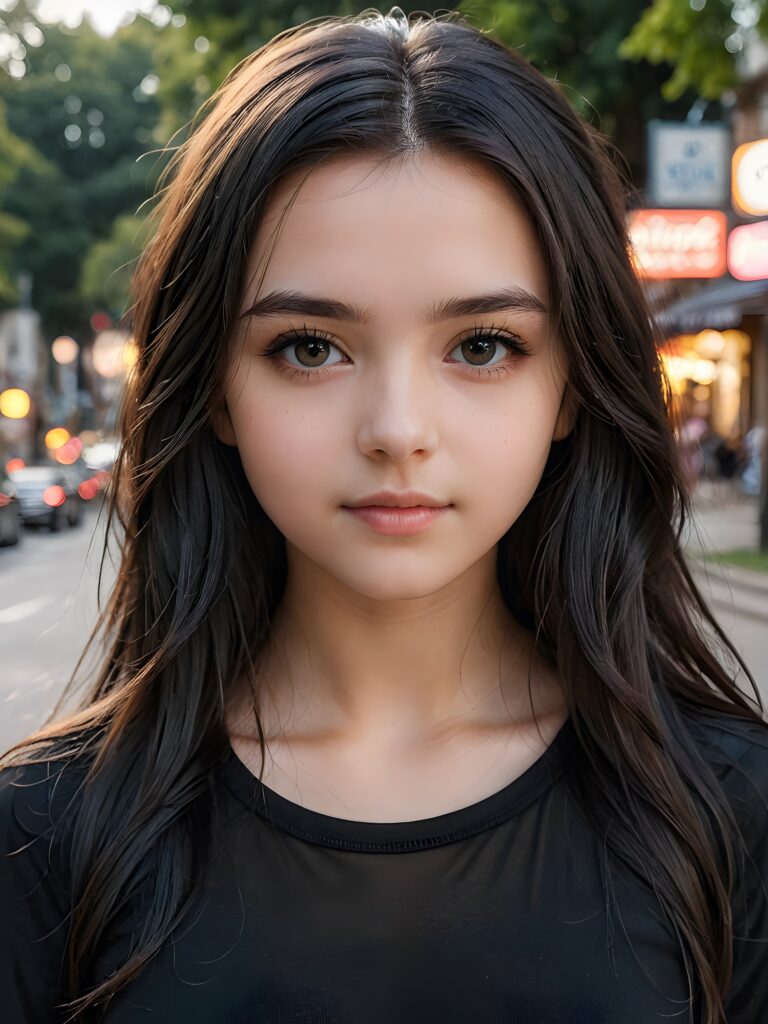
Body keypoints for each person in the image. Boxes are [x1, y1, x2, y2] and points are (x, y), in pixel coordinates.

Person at [1, 8, 767, 1023]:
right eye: (311, 346)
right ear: (216, 388)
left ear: (573, 385)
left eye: (484, 345)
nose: (398, 430)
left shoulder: (731, 816)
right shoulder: (45, 838)